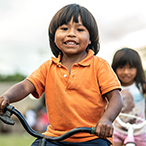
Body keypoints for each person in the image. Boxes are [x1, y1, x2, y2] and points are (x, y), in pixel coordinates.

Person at [0, 4, 123, 146]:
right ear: (54, 37)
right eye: (64, 28)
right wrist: (6, 97)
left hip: (92, 137)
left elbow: (115, 97)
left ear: (90, 39)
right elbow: (26, 85)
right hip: (55, 138)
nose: (71, 33)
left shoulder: (99, 65)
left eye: (80, 29)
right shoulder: (48, 67)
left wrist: (106, 120)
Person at [112, 47, 146, 146]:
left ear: (137, 68)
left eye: (131, 68)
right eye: (121, 67)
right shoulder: (113, 86)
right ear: (115, 68)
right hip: (117, 130)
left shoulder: (141, 86)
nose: (126, 72)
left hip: (139, 131)